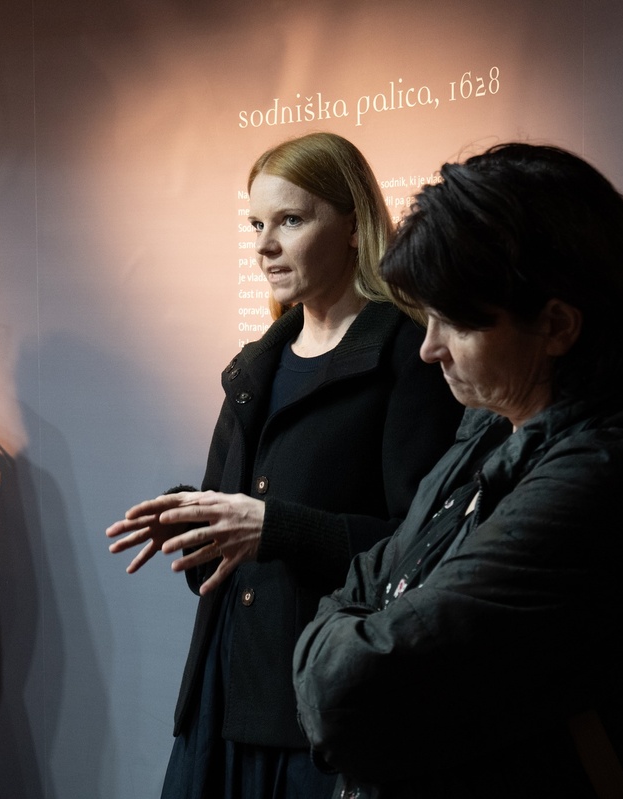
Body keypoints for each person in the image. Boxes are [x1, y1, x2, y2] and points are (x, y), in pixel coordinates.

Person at [292, 143, 623, 798]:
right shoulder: (490, 428)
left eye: (454, 323)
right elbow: (370, 577)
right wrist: (350, 627)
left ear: (556, 325)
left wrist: (331, 640)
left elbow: (348, 695)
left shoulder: (613, 481)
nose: (429, 349)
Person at [106, 132, 462, 798]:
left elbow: (425, 553)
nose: (264, 245)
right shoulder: (256, 367)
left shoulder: (408, 357)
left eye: (290, 220)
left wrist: (277, 528)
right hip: (221, 707)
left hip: (322, 720)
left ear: (353, 226)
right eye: (256, 225)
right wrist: (194, 522)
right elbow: (227, 553)